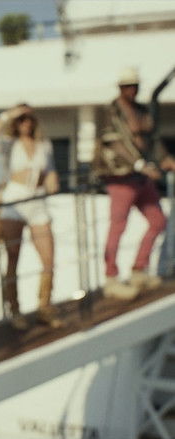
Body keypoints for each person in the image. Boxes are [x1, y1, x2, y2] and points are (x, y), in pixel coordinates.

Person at [0, 104, 62, 331]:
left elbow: (51, 169)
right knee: (13, 257)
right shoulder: (9, 144)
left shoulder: (44, 145)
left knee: (48, 258)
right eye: (22, 119)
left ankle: (44, 306)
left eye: (28, 119)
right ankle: (14, 309)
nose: (26, 123)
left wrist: (52, 180)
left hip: (38, 200)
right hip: (14, 201)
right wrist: (7, 115)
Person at [95, 67, 166, 299]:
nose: (132, 90)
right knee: (118, 227)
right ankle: (111, 278)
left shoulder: (142, 110)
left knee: (158, 221)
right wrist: (139, 164)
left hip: (142, 178)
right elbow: (114, 143)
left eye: (135, 86)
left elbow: (151, 138)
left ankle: (139, 269)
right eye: (128, 86)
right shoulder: (110, 111)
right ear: (120, 88)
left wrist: (163, 159)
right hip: (121, 178)